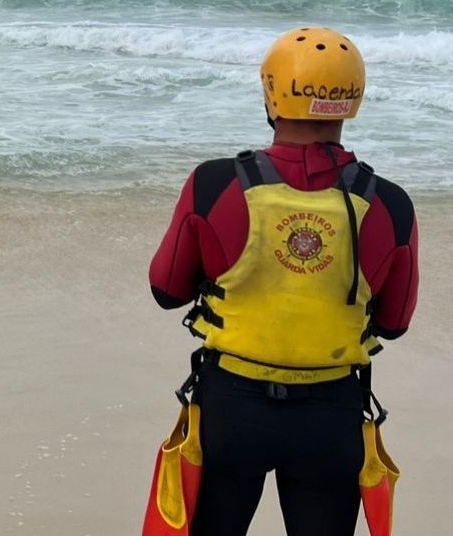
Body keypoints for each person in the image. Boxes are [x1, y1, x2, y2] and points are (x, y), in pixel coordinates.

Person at [147, 26, 419, 536]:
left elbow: (166, 291)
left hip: (231, 413)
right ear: (352, 99)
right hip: (332, 417)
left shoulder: (214, 183)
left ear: (271, 94)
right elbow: (394, 323)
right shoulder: (390, 203)